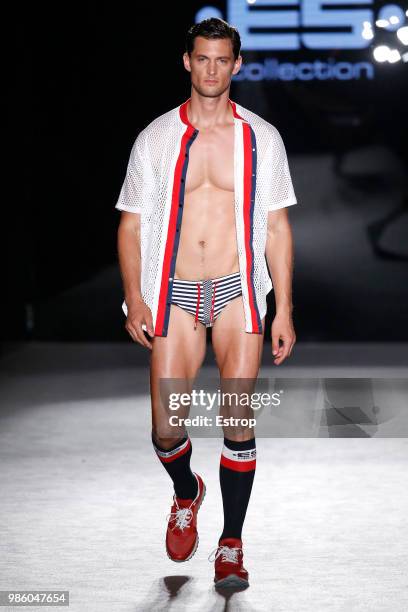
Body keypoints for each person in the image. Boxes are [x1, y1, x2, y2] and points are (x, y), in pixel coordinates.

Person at [115, 17, 298, 589]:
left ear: (236, 65)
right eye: (204, 59)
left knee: (236, 418)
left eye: (224, 60)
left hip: (237, 288)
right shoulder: (156, 138)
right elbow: (131, 223)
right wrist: (134, 297)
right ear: (187, 62)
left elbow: (276, 226)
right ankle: (186, 490)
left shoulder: (261, 137)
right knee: (168, 428)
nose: (213, 69)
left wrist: (284, 307)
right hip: (172, 290)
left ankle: (231, 544)